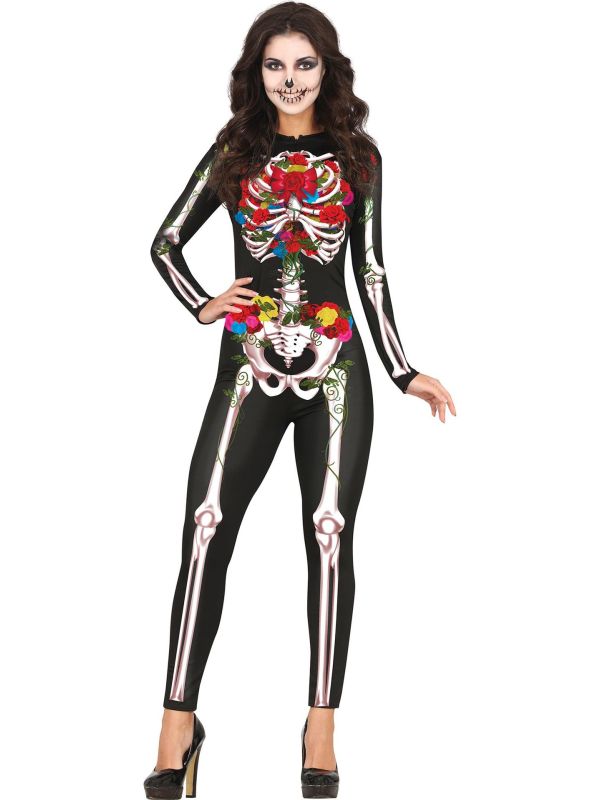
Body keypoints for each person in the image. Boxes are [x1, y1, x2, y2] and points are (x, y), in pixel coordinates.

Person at [143, 3, 456, 798]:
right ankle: (177, 724)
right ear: (258, 72)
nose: (290, 80)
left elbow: (370, 271)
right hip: (247, 366)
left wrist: (402, 369)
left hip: (338, 373)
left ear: (327, 69)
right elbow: (165, 242)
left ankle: (321, 726)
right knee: (206, 526)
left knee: (329, 535)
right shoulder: (234, 151)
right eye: (275, 65)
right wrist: (203, 303)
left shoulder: (359, 157)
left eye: (304, 64)